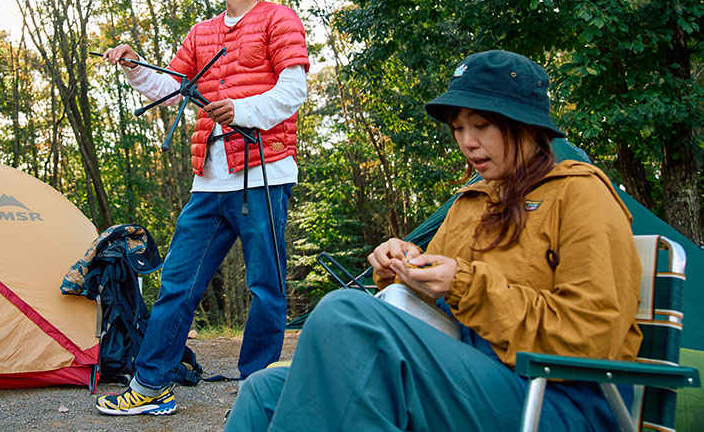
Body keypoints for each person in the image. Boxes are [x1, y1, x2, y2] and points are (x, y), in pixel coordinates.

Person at [224, 49, 642, 431]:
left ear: (526, 126)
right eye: (459, 128)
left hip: (555, 398)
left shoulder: (581, 195)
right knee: (265, 389)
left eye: (481, 125)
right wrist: (402, 270)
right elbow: (434, 304)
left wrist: (464, 283)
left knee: (346, 314)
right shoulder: (473, 202)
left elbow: (593, 335)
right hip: (473, 375)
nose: (467, 141)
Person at [96, 0, 310, 416]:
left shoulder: (280, 19)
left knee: (265, 288)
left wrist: (243, 109)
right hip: (209, 182)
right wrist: (133, 66)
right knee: (177, 282)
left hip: (263, 174)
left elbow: (292, 91)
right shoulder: (202, 33)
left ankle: (258, 393)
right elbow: (168, 89)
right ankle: (151, 385)